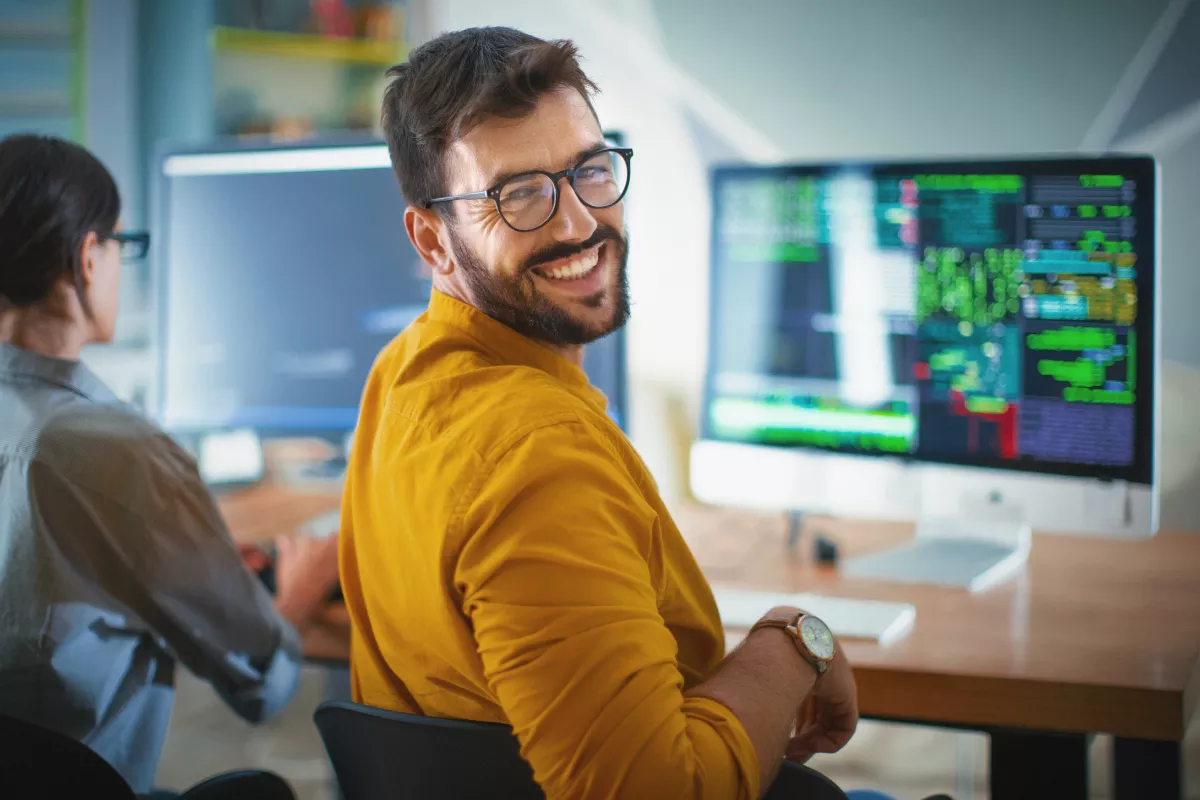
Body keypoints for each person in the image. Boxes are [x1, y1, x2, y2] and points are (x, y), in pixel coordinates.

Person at [339, 27, 867, 800]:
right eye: (517, 195)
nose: (578, 224)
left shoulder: (403, 374)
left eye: (589, 170)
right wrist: (794, 643)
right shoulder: (540, 455)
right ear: (433, 239)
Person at [0, 133, 341, 795]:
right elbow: (258, 684)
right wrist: (296, 593)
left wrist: (194, 558)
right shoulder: (117, 449)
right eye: (123, 247)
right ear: (86, 259)